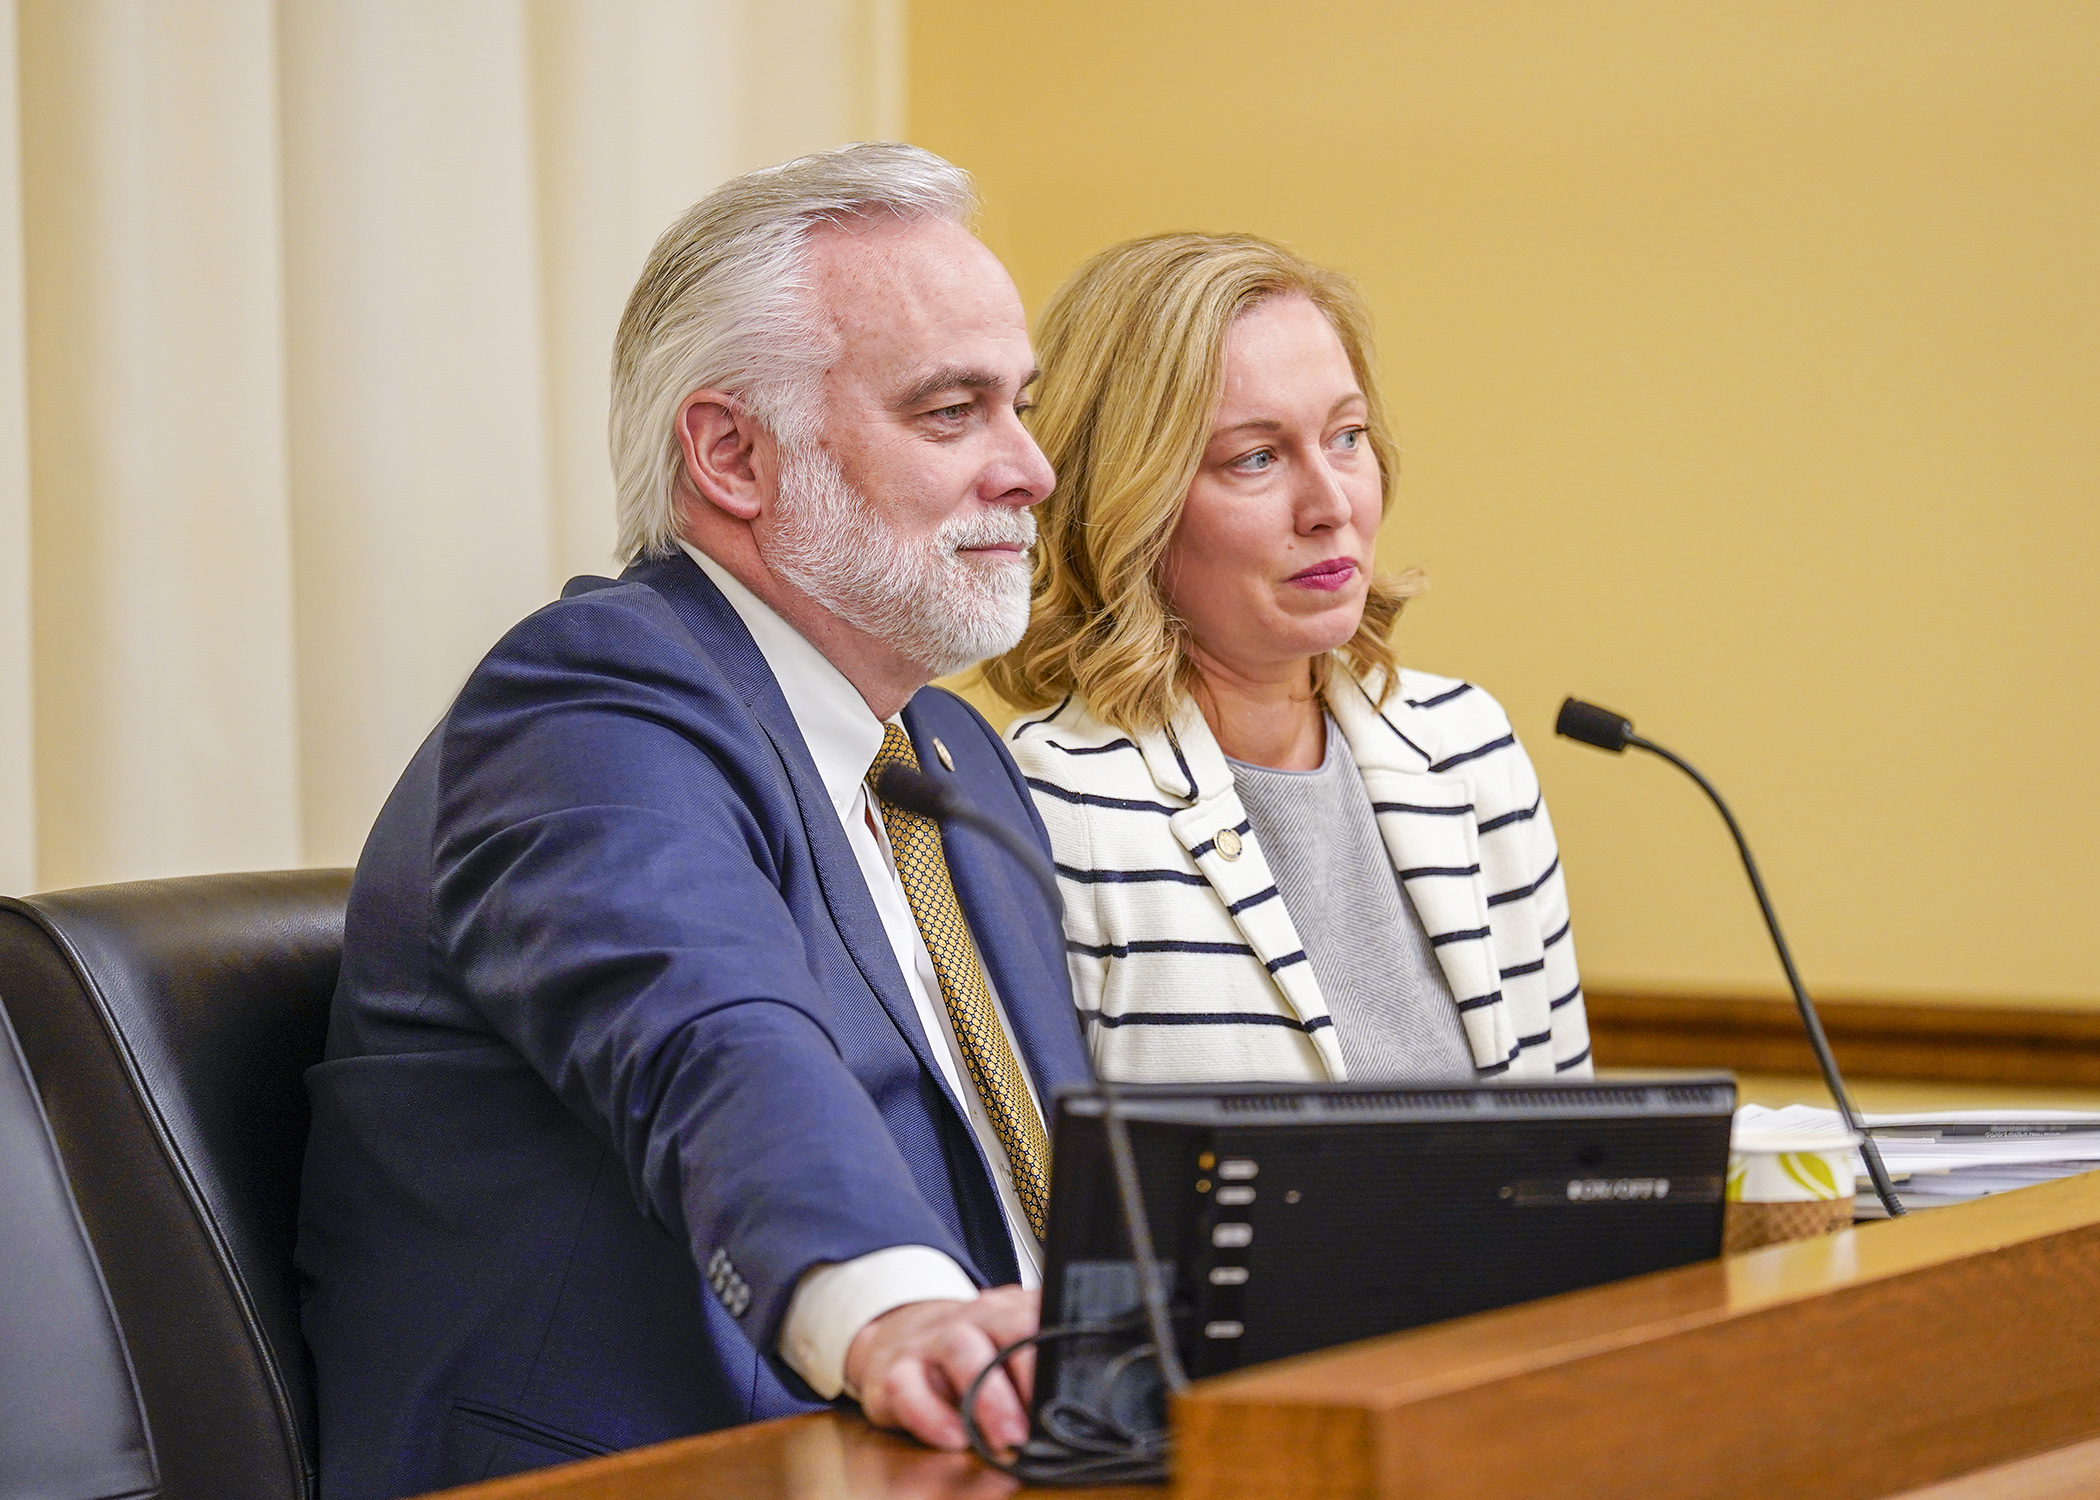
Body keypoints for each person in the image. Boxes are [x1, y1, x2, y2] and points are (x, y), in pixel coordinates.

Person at [295, 144, 1086, 1498]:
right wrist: (893, 1309)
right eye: (953, 412)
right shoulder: (590, 700)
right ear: (731, 453)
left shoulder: (946, 752)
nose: (1033, 471)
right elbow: (713, 1038)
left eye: (1021, 408)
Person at [987, 233, 1592, 1085]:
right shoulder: (1053, 806)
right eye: (1258, 457)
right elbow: (1049, 1207)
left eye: (1347, 437)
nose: (1331, 502)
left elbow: (1570, 1154)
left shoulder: (1468, 748)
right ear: (1133, 505)